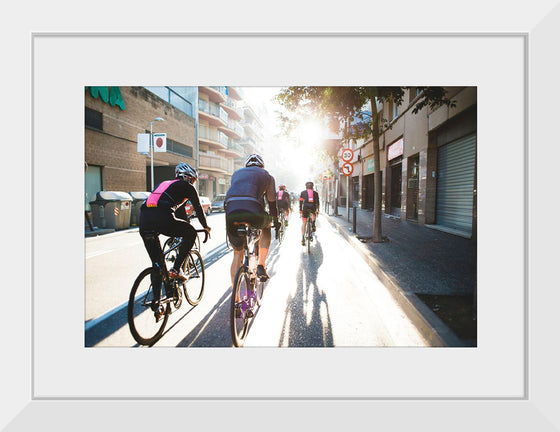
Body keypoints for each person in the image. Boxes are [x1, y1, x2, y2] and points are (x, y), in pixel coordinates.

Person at [139, 162, 211, 283]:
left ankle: (156, 300)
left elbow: (179, 210)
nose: (193, 183)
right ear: (187, 177)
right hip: (162, 217)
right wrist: (206, 226)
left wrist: (182, 223)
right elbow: (198, 208)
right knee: (191, 233)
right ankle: (176, 269)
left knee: (157, 264)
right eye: (193, 180)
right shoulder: (187, 186)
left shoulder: (164, 184)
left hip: (144, 219)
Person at [225, 154, 279, 285]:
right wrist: (275, 221)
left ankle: (236, 300)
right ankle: (261, 264)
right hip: (253, 212)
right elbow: (272, 202)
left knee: (237, 254)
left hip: (231, 212)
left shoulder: (236, 174)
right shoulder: (267, 176)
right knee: (266, 226)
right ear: (262, 166)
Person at [299, 181, 320, 245]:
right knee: (313, 214)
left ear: (306, 187)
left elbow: (301, 202)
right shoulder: (315, 193)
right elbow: (317, 203)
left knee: (304, 223)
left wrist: (300, 210)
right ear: (312, 187)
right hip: (313, 207)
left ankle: (302, 238)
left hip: (305, 208)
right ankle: (313, 223)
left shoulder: (302, 193)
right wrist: (318, 210)